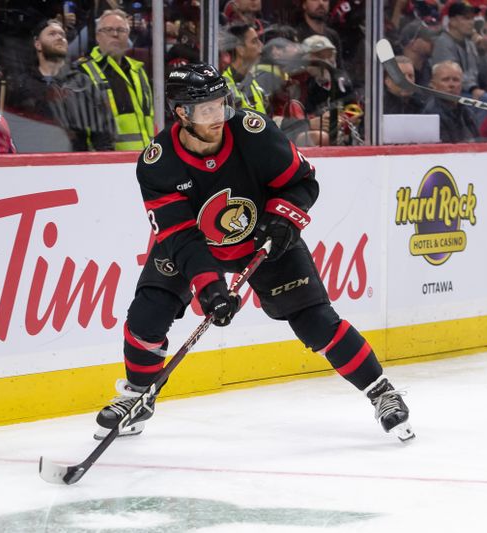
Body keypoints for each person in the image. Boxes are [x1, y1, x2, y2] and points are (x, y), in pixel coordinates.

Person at [93, 62, 414, 443]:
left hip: (264, 239)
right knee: (148, 311)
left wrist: (282, 220)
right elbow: (181, 237)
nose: (220, 115)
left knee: (316, 321)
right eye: (207, 109)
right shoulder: (158, 162)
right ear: (182, 113)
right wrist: (209, 289)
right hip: (196, 247)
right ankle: (137, 397)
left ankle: (382, 391)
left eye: (222, 103)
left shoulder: (252, 132)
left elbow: (302, 183)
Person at [6, 18, 114, 152]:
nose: (60, 38)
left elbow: (102, 132)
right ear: (37, 44)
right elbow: (11, 131)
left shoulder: (82, 82)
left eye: (62, 35)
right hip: (34, 165)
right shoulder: (22, 85)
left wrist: (102, 162)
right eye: (52, 34)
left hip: (74, 165)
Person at [78, 9, 154, 151]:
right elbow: (81, 132)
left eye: (121, 30)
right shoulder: (83, 72)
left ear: (128, 35)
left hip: (147, 162)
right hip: (109, 166)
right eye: (108, 30)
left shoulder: (138, 70)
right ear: (97, 37)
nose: (115, 34)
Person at [430, 1, 487, 99]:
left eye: (472, 18)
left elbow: (484, 78)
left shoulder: (471, 43)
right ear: (452, 21)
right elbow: (451, 76)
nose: (471, 23)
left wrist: (482, 51)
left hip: (472, 92)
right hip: (452, 95)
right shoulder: (443, 42)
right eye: (466, 18)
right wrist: (473, 88)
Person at [422, 60, 479, 143]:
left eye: (456, 80)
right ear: (433, 85)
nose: (451, 85)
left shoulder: (468, 112)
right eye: (445, 80)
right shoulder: (431, 114)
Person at [222, 24, 267, 114]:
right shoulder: (224, 87)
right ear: (240, 50)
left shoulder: (255, 85)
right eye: (254, 41)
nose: (261, 45)